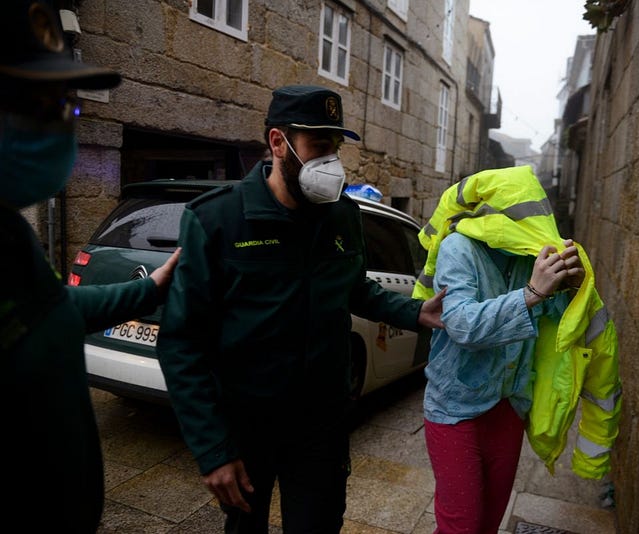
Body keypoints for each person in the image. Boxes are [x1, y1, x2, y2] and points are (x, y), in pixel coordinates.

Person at [156, 84, 445, 533]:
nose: (331, 161)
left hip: (321, 426)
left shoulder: (343, 216)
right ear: (278, 142)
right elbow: (180, 342)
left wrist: (416, 312)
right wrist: (213, 449)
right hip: (247, 426)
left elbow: (355, 290)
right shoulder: (217, 220)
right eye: (318, 146)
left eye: (335, 147)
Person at [0, 2, 181, 532]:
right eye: (33, 103)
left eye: (65, 105)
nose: (60, 125)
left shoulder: (9, 235)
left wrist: (155, 285)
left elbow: (56, 307)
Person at [412, 165, 621, 533]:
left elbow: (560, 329)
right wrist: (531, 293)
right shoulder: (457, 248)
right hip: (453, 410)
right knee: (462, 524)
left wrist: (572, 290)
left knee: (490, 521)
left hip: (509, 408)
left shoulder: (532, 256)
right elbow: (460, 323)